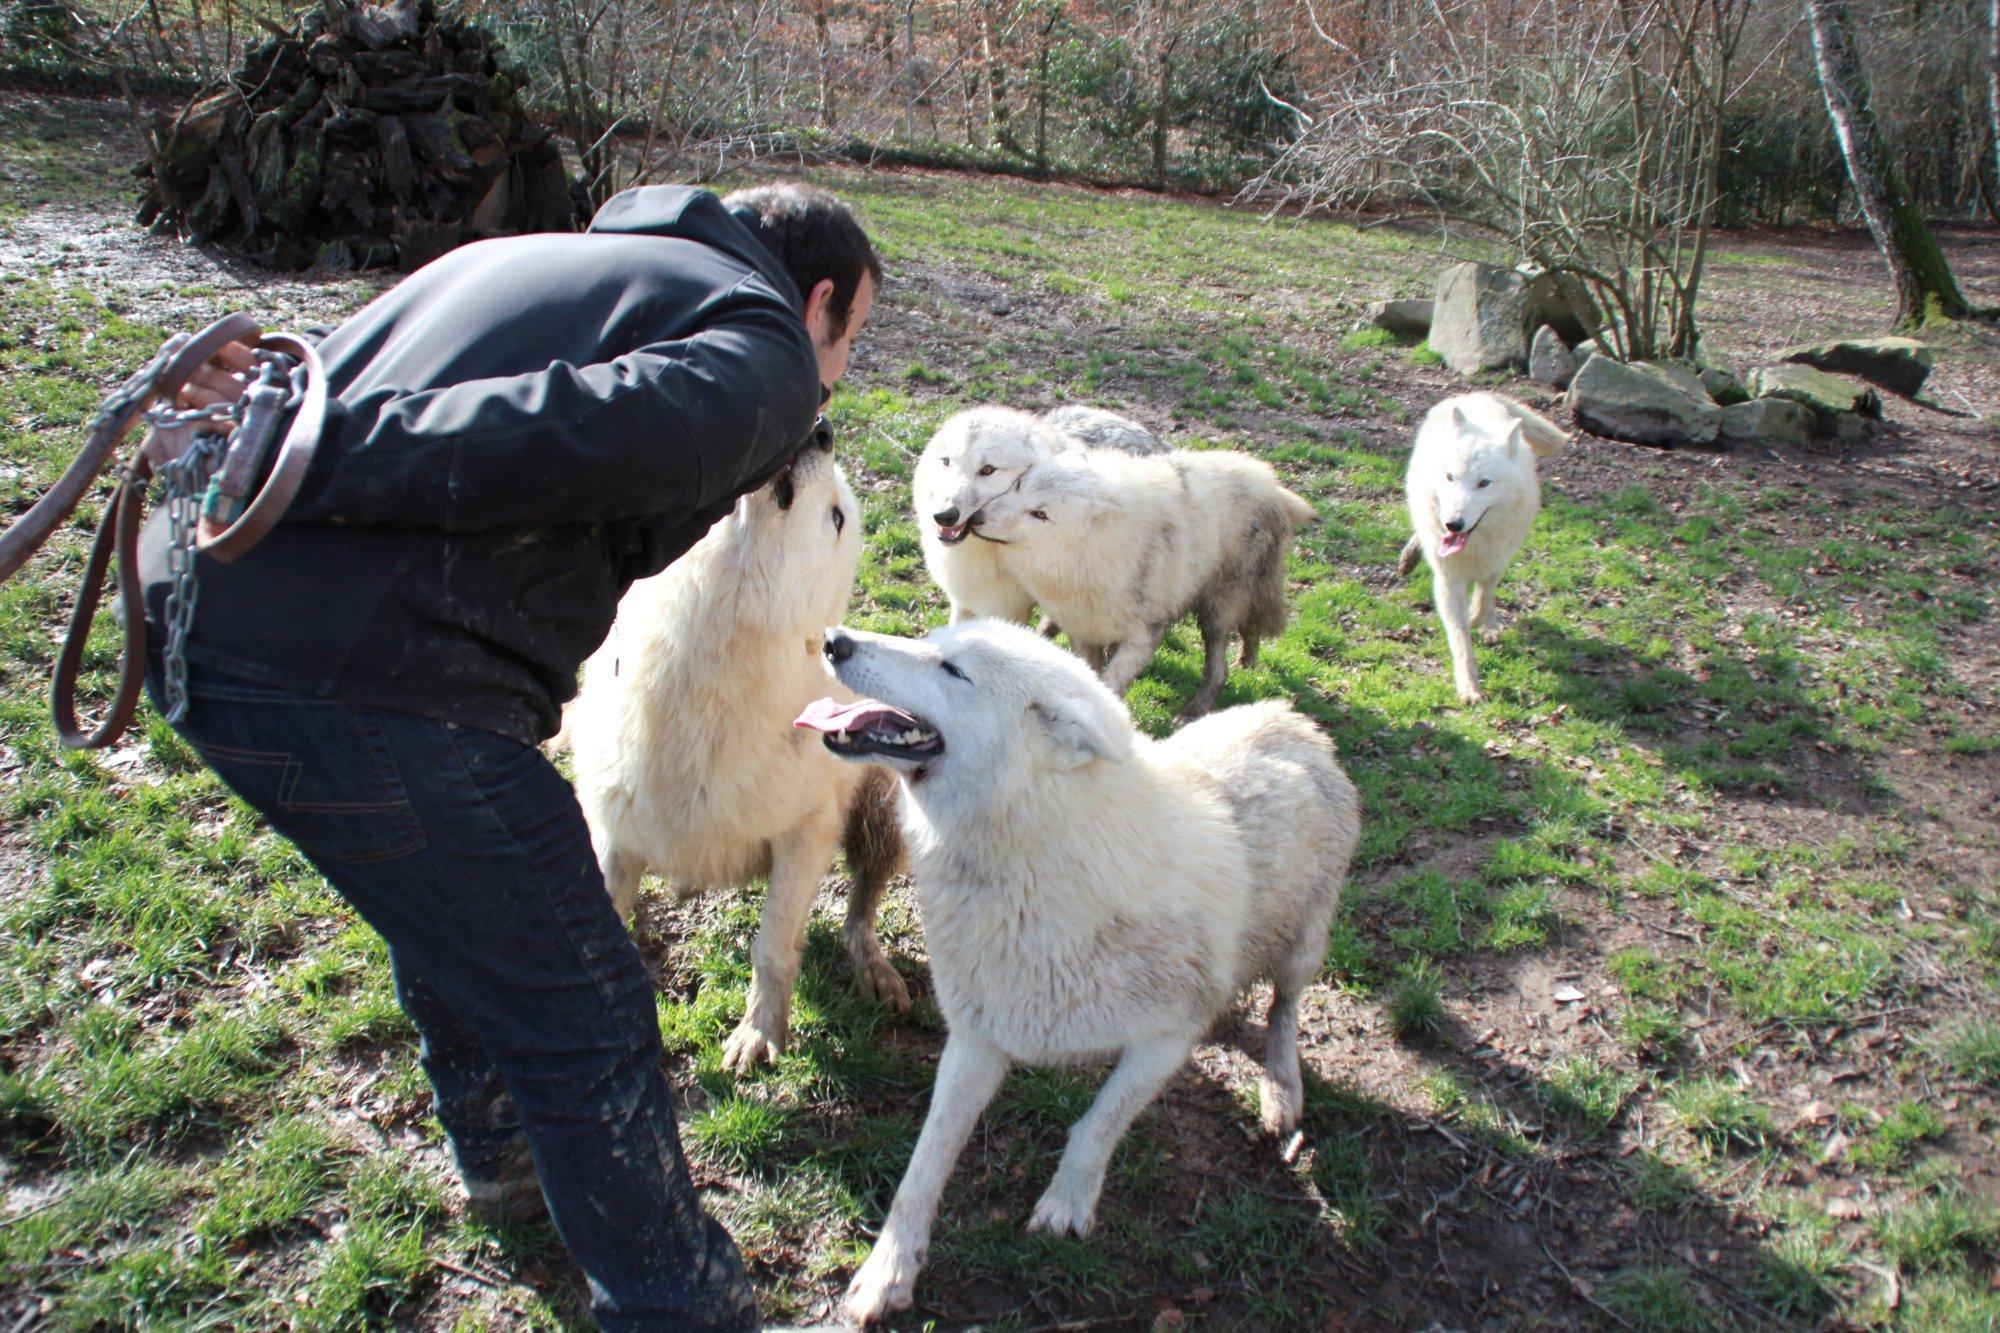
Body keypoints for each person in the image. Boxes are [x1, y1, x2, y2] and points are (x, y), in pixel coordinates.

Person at [138, 182, 881, 1331]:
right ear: (818, 300)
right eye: (849, 340)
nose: (832, 379)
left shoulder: (541, 262)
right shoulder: (764, 344)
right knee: (584, 1004)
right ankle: (679, 1307)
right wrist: (306, 457)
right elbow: (563, 434)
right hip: (355, 669)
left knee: (459, 903)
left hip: (193, 618)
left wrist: (269, 447)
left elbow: (354, 380)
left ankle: (502, 1158)